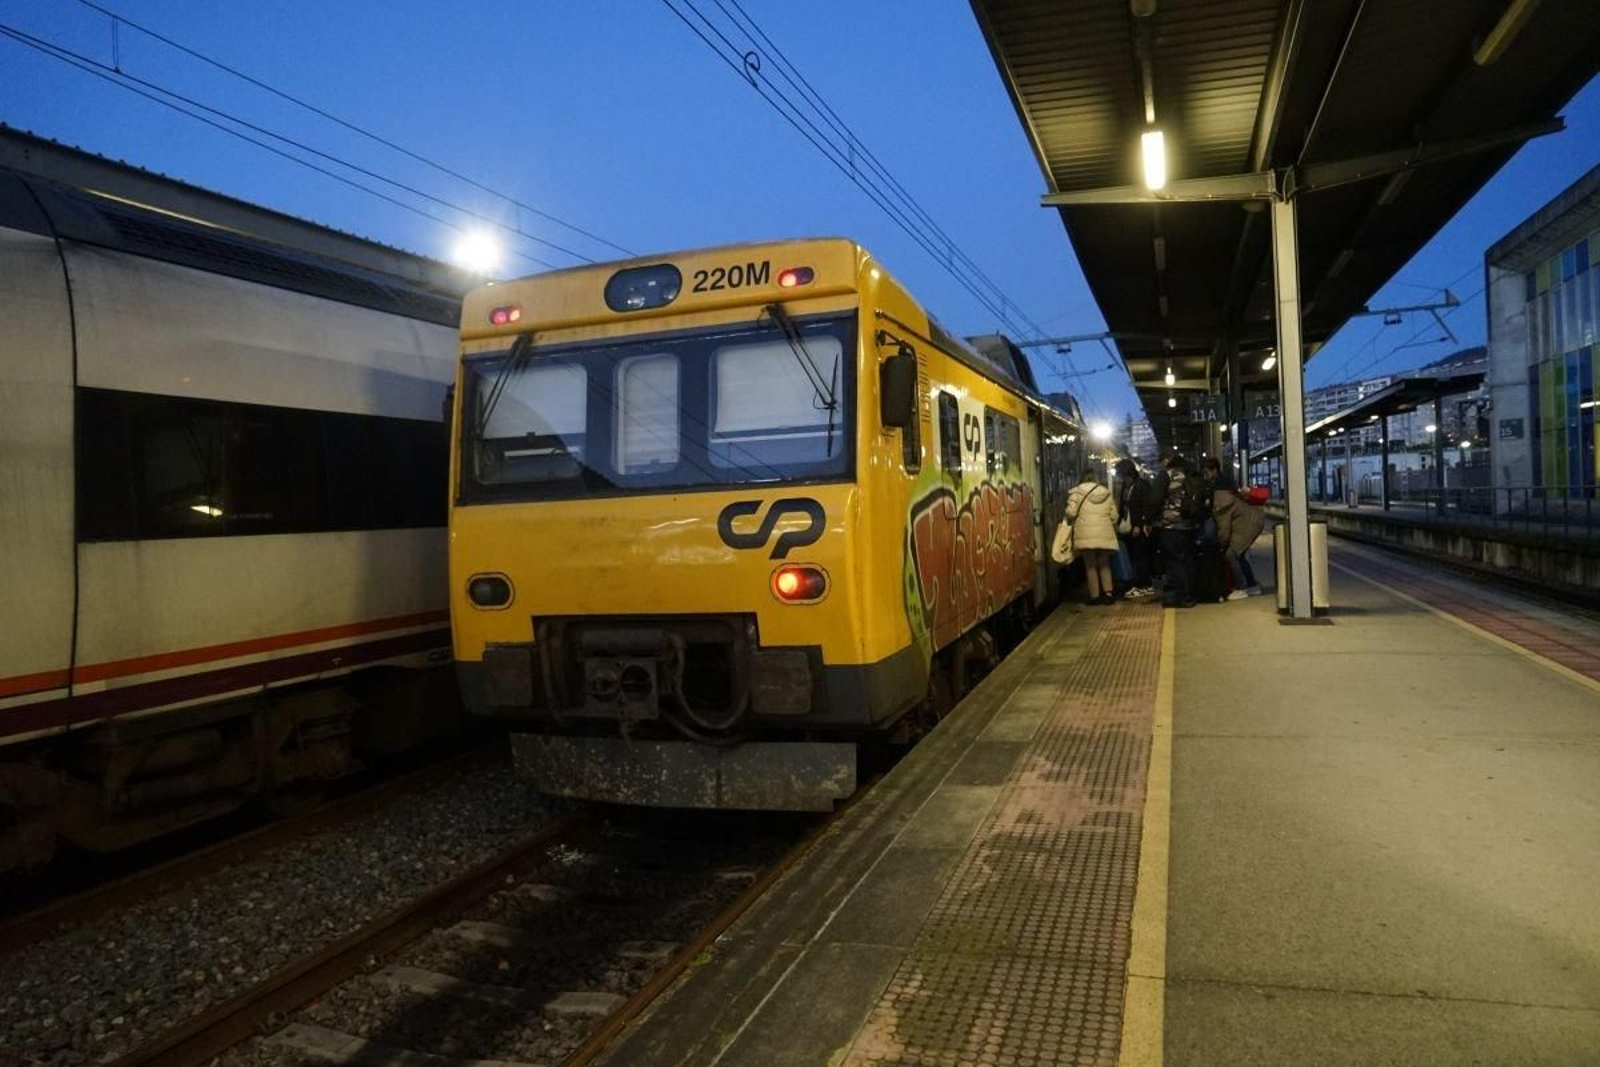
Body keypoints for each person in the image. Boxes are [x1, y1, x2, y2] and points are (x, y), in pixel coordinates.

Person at [1151, 451, 1201, 608]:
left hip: (1171, 525)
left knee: (1175, 561)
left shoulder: (1167, 474)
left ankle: (1183, 597)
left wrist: (1149, 519)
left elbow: (1155, 499)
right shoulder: (1190, 473)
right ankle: (1191, 594)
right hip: (1189, 525)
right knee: (1187, 560)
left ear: (1167, 460)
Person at [1062, 469, 1120, 605]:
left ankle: (1095, 596)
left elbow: (1071, 513)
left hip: (1085, 534)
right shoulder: (1106, 493)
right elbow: (1114, 516)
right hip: (1104, 534)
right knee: (1105, 564)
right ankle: (1108, 594)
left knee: (1090, 566)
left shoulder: (1076, 493)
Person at [1212, 481, 1266, 599]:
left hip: (1249, 525)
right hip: (1252, 521)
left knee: (1231, 554)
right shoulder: (1224, 499)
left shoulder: (1221, 506)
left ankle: (1240, 588)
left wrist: (1221, 545)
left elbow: (1224, 529)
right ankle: (1252, 585)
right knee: (1239, 555)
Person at [1115, 458, 1158, 599]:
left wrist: (1139, 525)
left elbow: (1146, 506)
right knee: (1134, 556)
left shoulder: (1141, 485)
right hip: (1128, 527)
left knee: (1141, 556)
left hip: (1138, 528)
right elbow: (1123, 507)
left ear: (1129, 474)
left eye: (1123, 476)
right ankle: (1139, 584)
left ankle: (1144, 585)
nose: (1122, 479)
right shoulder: (1126, 487)